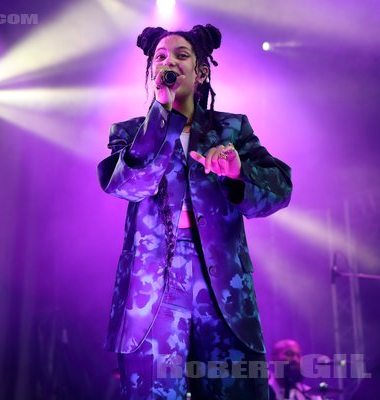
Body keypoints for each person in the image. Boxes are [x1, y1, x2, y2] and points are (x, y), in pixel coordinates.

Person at [97, 24, 292, 399]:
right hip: (153, 287)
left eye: (181, 55)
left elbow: (280, 188)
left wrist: (238, 174)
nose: (169, 61)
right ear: (153, 72)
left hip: (221, 286)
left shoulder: (231, 129)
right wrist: (162, 117)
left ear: (201, 71)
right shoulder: (131, 133)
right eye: (161, 57)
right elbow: (127, 185)